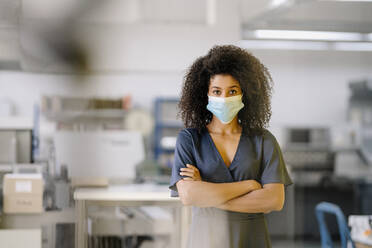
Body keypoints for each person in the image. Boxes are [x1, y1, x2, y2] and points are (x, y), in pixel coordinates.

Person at [169, 45, 293, 248]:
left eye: (232, 91)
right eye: (217, 91)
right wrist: (250, 185)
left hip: (252, 240)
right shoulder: (190, 139)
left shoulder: (263, 140)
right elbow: (189, 195)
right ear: (205, 94)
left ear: (245, 93)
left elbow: (274, 200)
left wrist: (209, 196)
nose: (224, 99)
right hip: (206, 239)